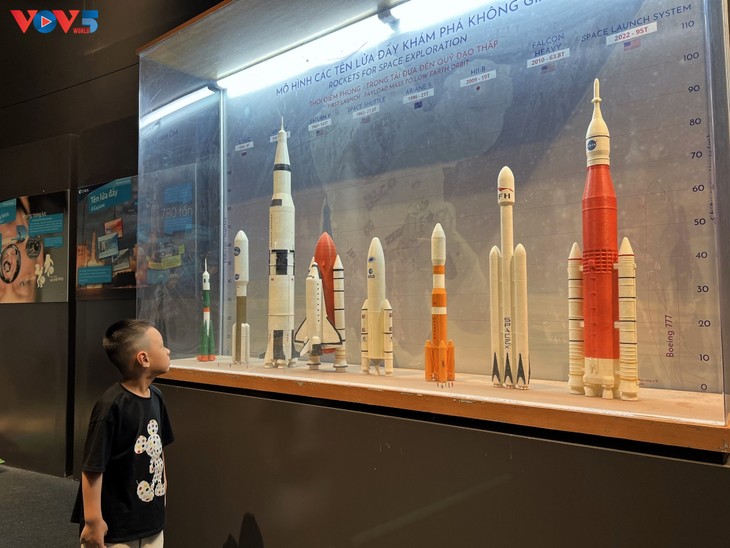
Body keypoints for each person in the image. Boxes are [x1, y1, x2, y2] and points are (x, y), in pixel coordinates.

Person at [72, 319, 174, 547]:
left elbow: (158, 447)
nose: (168, 350)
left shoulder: (156, 397)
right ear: (144, 359)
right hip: (116, 528)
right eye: (161, 345)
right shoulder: (111, 406)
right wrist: (93, 521)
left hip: (150, 520)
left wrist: (163, 488)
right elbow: (93, 467)